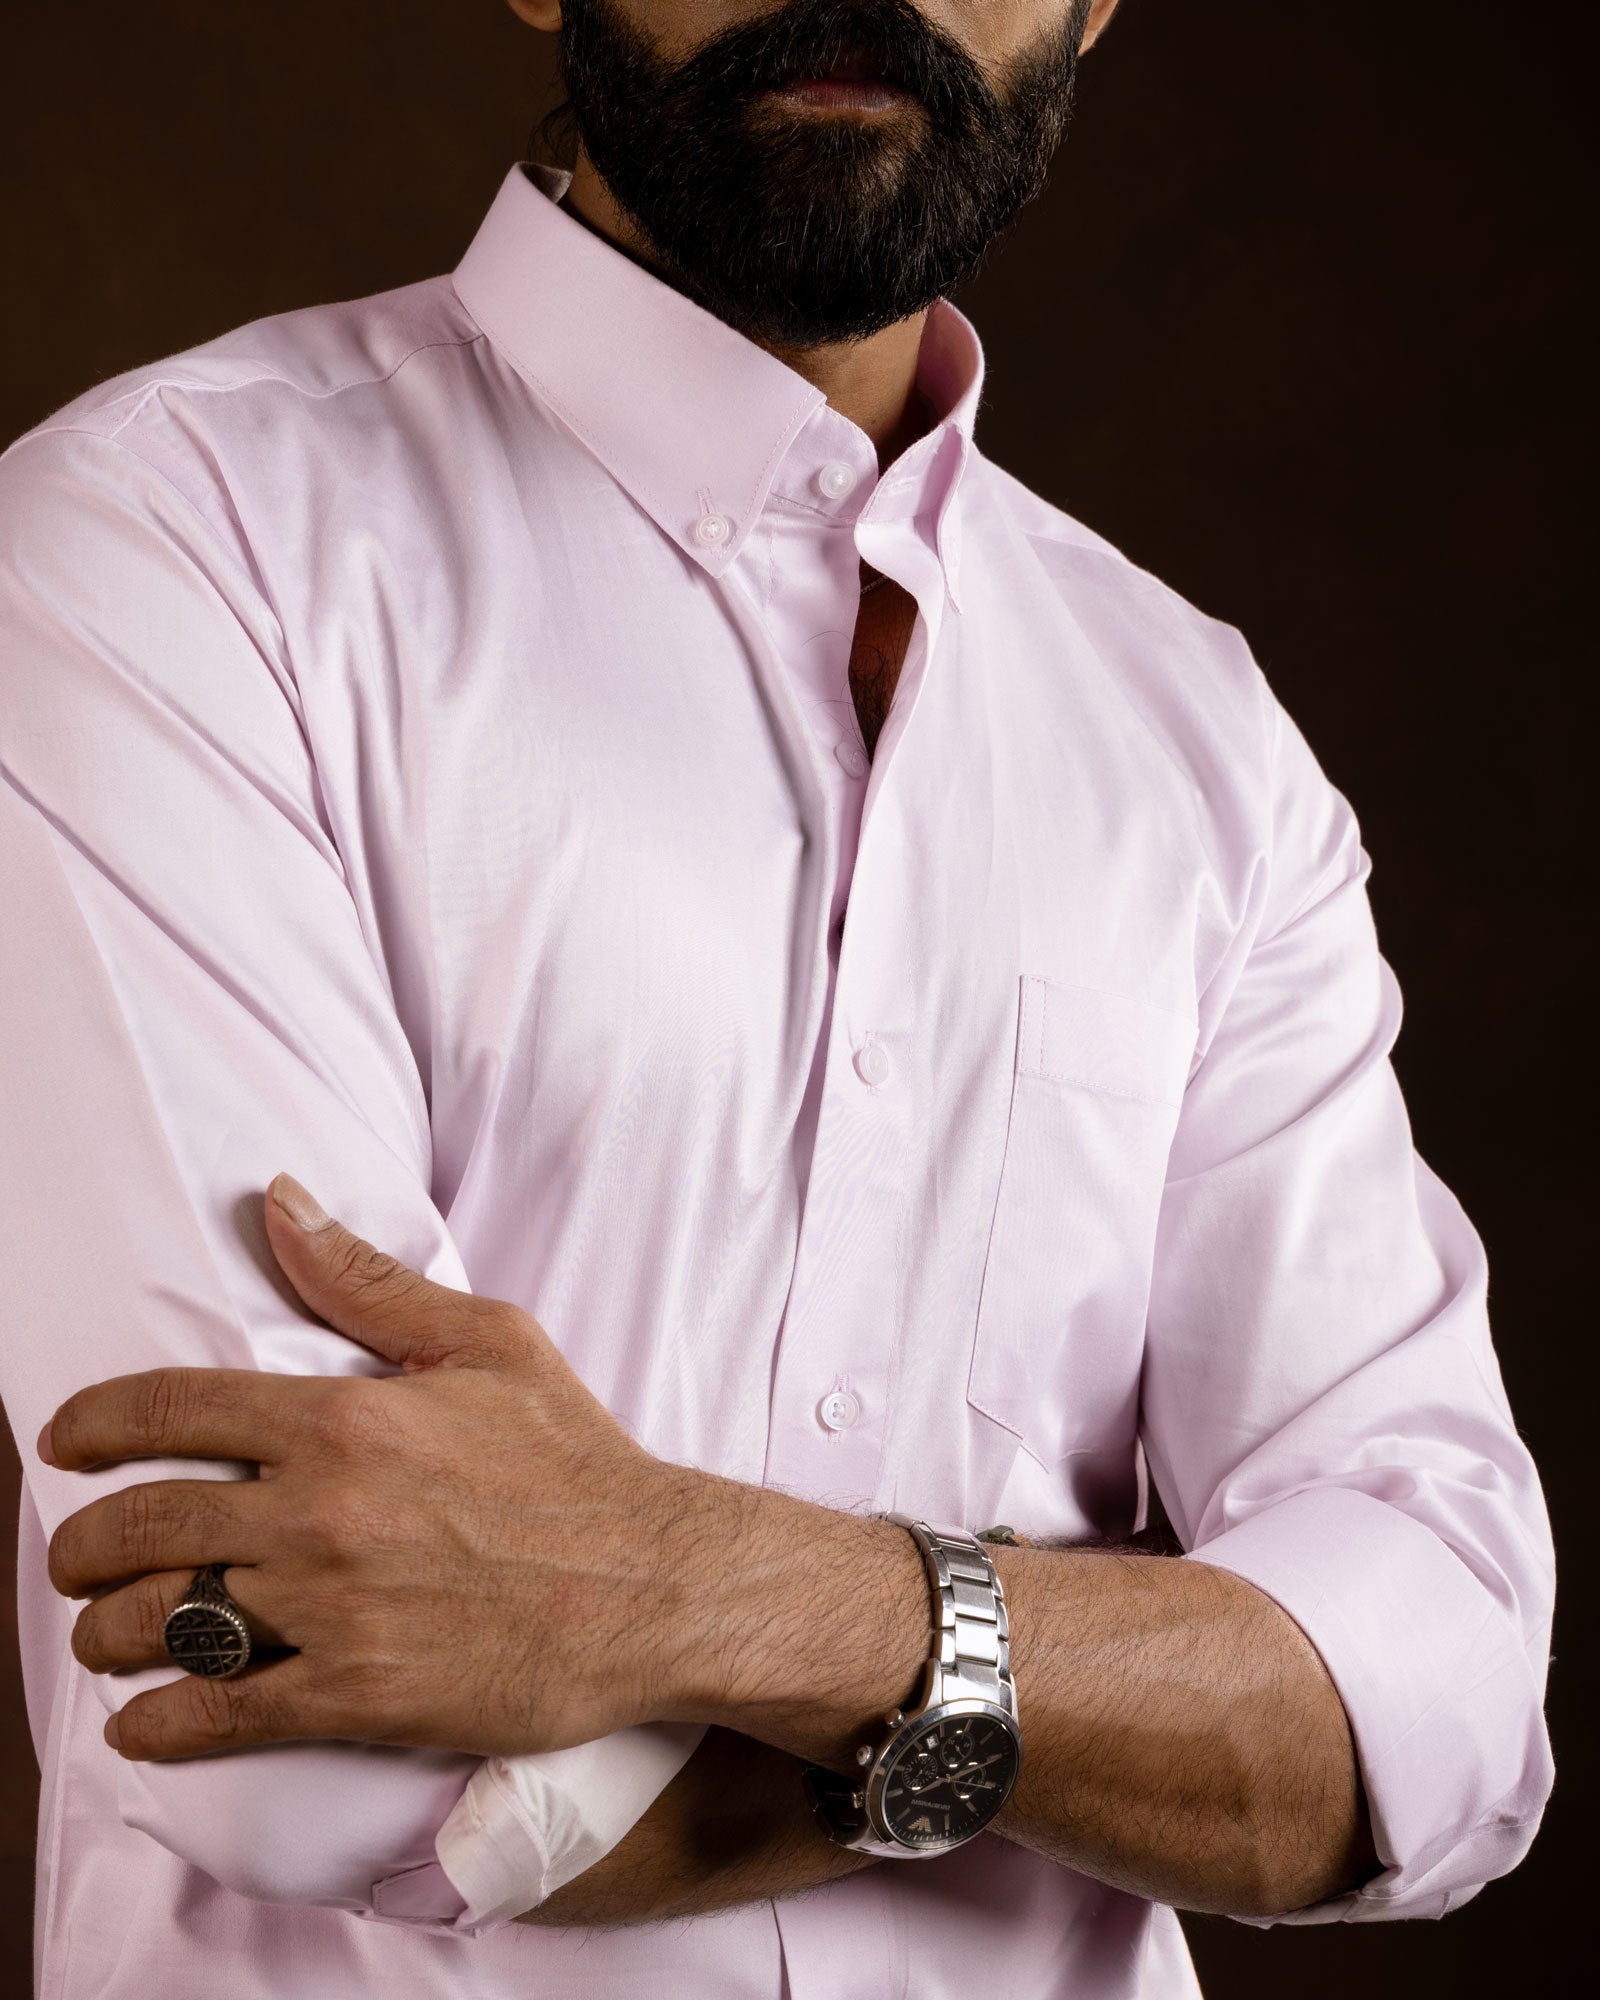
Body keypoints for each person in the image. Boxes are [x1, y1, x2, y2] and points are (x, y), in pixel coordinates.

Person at [0, 0, 1554, 1994]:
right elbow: (287, 1737)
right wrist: (1128, 1711)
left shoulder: (1199, 740)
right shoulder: (160, 552)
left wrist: (699, 1587)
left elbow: (1432, 1719)